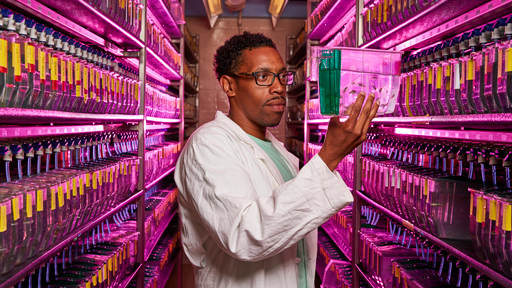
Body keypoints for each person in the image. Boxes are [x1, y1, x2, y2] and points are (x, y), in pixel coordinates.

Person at [175, 31, 379, 288]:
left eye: (282, 76)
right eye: (263, 77)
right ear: (229, 85)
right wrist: (329, 157)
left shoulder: (278, 151)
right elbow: (245, 235)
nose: (279, 87)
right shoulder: (207, 145)